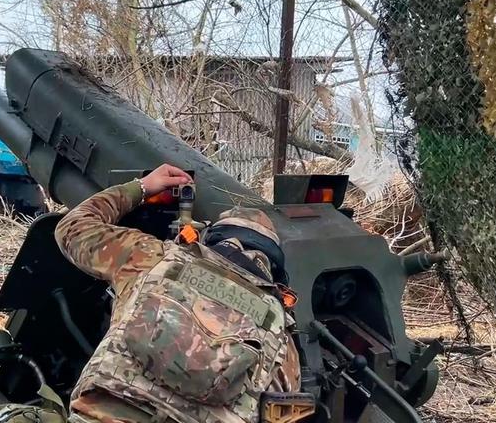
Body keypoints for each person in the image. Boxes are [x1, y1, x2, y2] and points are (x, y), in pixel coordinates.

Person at [55, 163, 309, 423]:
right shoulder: (280, 336)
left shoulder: (153, 258)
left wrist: (142, 187)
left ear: (210, 238)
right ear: (271, 266)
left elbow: (72, 228)